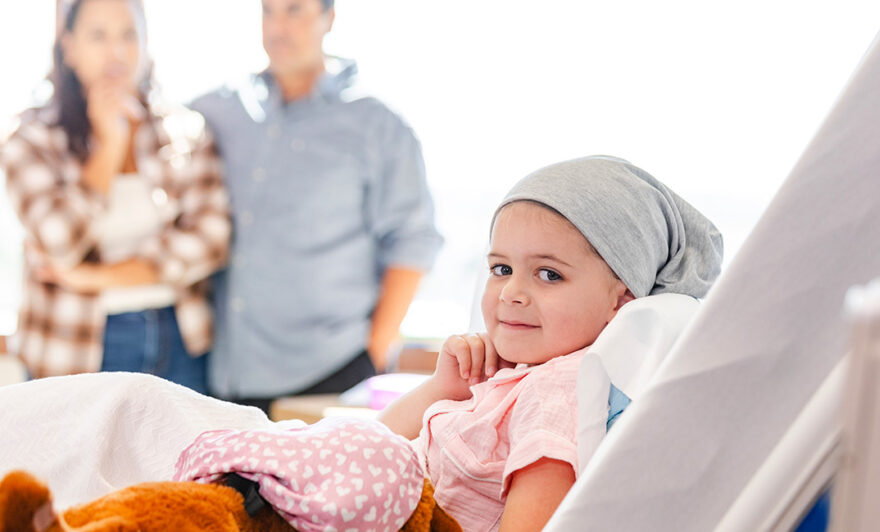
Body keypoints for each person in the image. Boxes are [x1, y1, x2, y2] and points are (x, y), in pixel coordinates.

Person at [173, 155, 724, 531]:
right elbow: (373, 439)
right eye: (501, 268)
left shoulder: (561, 387)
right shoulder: (508, 376)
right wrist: (443, 388)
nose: (512, 294)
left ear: (621, 301)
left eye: (549, 275)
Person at [191, 0, 443, 412]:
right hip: (224, 377)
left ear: (329, 18)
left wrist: (373, 354)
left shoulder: (378, 125)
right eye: (268, 11)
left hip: (330, 373)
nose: (278, 26)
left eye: (295, 10)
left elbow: (413, 242)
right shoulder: (219, 111)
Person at [0, 0, 229, 393]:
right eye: (98, 35)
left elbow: (210, 241)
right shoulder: (31, 138)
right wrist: (109, 146)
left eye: (128, 35)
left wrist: (90, 277)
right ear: (68, 47)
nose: (116, 52)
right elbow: (59, 241)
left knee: (180, 455)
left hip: (178, 339)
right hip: (76, 348)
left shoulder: (184, 130)